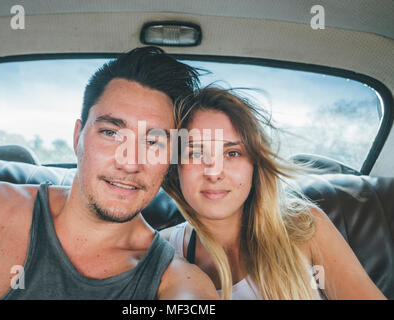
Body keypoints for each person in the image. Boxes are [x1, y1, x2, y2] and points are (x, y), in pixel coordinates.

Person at [0, 47, 219, 300]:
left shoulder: (178, 283)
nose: (129, 163)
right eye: (111, 133)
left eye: (153, 142)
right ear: (78, 136)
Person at [161, 87, 387, 300]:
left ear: (255, 164)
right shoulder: (163, 249)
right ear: (175, 168)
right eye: (195, 153)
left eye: (232, 153)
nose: (213, 172)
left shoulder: (304, 228)